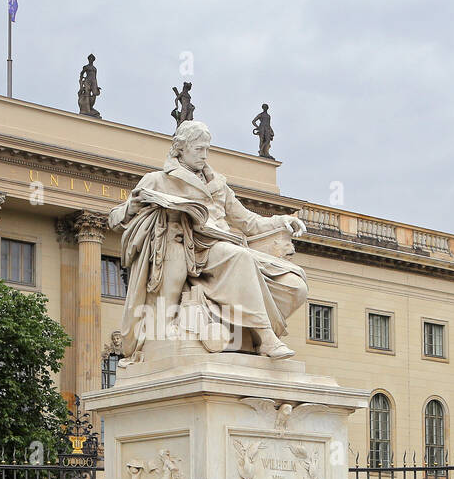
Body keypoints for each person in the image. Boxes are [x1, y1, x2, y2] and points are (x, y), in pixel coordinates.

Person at [107, 120, 308, 362]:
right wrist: (134, 205)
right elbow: (114, 219)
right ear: (180, 148)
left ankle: (248, 336)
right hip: (194, 248)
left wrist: (281, 220)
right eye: (198, 149)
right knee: (240, 258)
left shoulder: (218, 183)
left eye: (207, 149)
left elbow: (248, 222)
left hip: (224, 245)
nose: (204, 155)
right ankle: (265, 337)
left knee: (294, 283)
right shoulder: (157, 180)